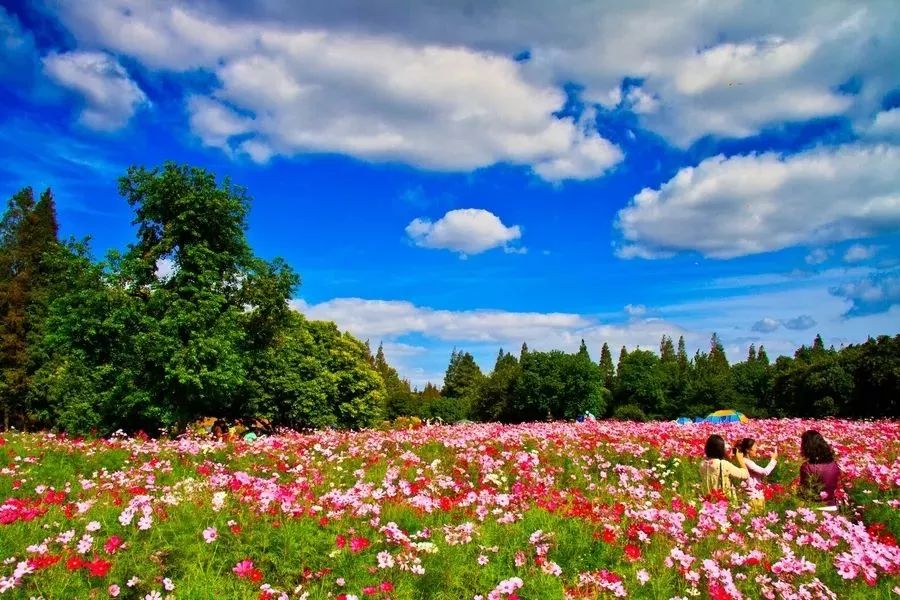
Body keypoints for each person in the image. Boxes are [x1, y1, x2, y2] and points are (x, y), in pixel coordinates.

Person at [799, 430, 840, 508]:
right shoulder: (834, 464)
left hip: (815, 509)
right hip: (832, 506)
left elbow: (805, 492)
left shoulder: (807, 467)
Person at [700, 434, 749, 499]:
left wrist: (725, 456)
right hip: (723, 500)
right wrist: (740, 460)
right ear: (721, 449)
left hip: (709, 499)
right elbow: (745, 475)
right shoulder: (724, 464)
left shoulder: (703, 463)